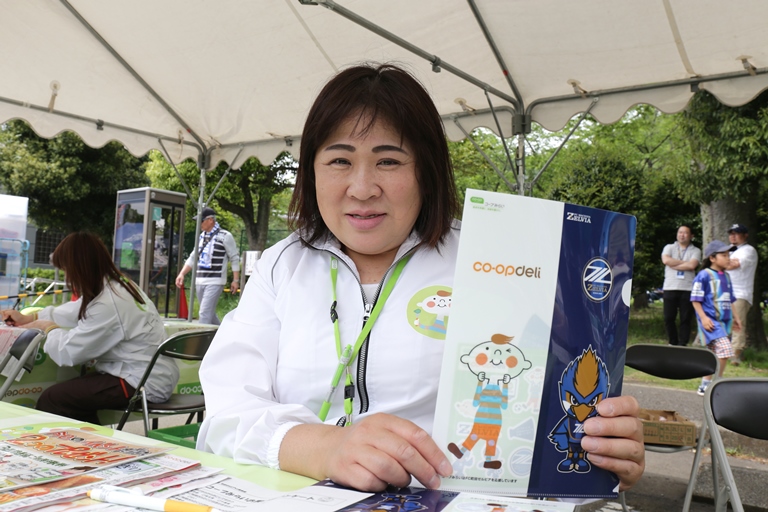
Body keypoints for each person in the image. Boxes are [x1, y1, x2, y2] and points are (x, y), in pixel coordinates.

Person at [196, 63, 644, 493]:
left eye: (389, 161)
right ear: (311, 171)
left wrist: (602, 446)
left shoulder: (493, 264)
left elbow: (548, 406)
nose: (362, 188)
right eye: (339, 160)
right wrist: (324, 448)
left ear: (426, 171)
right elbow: (225, 414)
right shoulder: (281, 266)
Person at [0, 232, 179, 424]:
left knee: (55, 399)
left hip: (139, 380)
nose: (67, 278)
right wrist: (29, 318)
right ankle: (92, 438)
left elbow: (68, 353)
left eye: (66, 270)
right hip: (146, 373)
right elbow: (77, 311)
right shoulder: (119, 286)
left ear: (78, 267)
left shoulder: (109, 303)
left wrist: (48, 328)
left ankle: (90, 441)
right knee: (69, 394)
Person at [691, 240, 741, 396]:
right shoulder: (704, 275)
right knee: (725, 350)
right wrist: (703, 318)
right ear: (712, 258)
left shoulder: (726, 276)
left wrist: (736, 318)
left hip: (724, 322)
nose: (728, 258)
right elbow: (695, 300)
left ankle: (705, 385)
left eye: (728, 255)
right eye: (723, 255)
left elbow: (730, 299)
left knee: (714, 353)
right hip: (711, 321)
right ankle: (717, 382)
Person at [175, 207, 240, 325]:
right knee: (209, 313)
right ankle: (221, 332)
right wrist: (182, 274)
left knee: (204, 313)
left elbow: (234, 258)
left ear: (210, 220)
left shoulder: (225, 236)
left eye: (201, 220)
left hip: (215, 281)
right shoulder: (201, 236)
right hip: (200, 280)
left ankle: (200, 337)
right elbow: (193, 257)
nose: (199, 224)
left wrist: (235, 280)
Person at [660, 226, 701, 346]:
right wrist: (685, 263)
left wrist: (674, 264)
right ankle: (672, 342)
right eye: (680, 232)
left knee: (686, 318)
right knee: (668, 317)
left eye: (685, 233)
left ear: (691, 236)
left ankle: (683, 344)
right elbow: (666, 261)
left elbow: (692, 265)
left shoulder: (695, 250)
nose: (682, 235)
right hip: (670, 287)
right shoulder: (669, 247)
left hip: (687, 288)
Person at [725, 223, 758, 365]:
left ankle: (735, 355)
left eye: (736, 233)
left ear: (745, 235)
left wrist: (719, 261)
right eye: (731, 233)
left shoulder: (748, 250)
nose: (733, 236)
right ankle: (721, 352)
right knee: (722, 322)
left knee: (737, 324)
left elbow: (733, 265)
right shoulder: (728, 250)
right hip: (724, 292)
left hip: (740, 293)